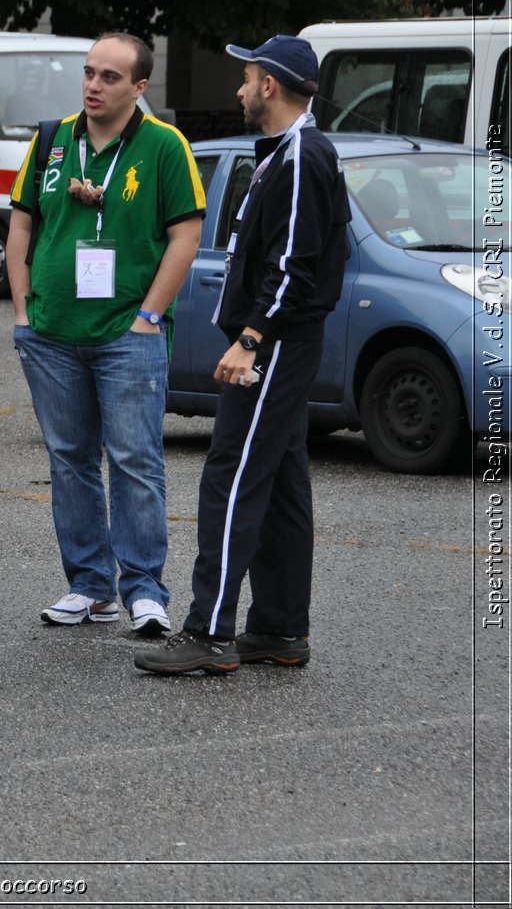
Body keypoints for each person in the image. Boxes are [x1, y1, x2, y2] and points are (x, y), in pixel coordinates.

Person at [136, 35, 349, 676]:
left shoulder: (303, 155)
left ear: (271, 87)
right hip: (280, 339)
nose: (238, 87)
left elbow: (293, 267)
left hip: (276, 342)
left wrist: (251, 338)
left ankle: (208, 631)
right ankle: (280, 629)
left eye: (247, 75)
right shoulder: (288, 153)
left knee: (229, 477)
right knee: (280, 481)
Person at [6, 32, 205, 636]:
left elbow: (185, 236)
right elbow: (20, 227)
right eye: (89, 73)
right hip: (50, 333)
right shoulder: (52, 139)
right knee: (69, 461)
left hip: (127, 334)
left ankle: (144, 589)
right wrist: (22, 312)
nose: (94, 85)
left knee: (134, 461)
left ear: (140, 86)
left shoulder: (165, 146)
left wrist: (148, 318)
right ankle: (90, 586)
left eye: (110, 77)